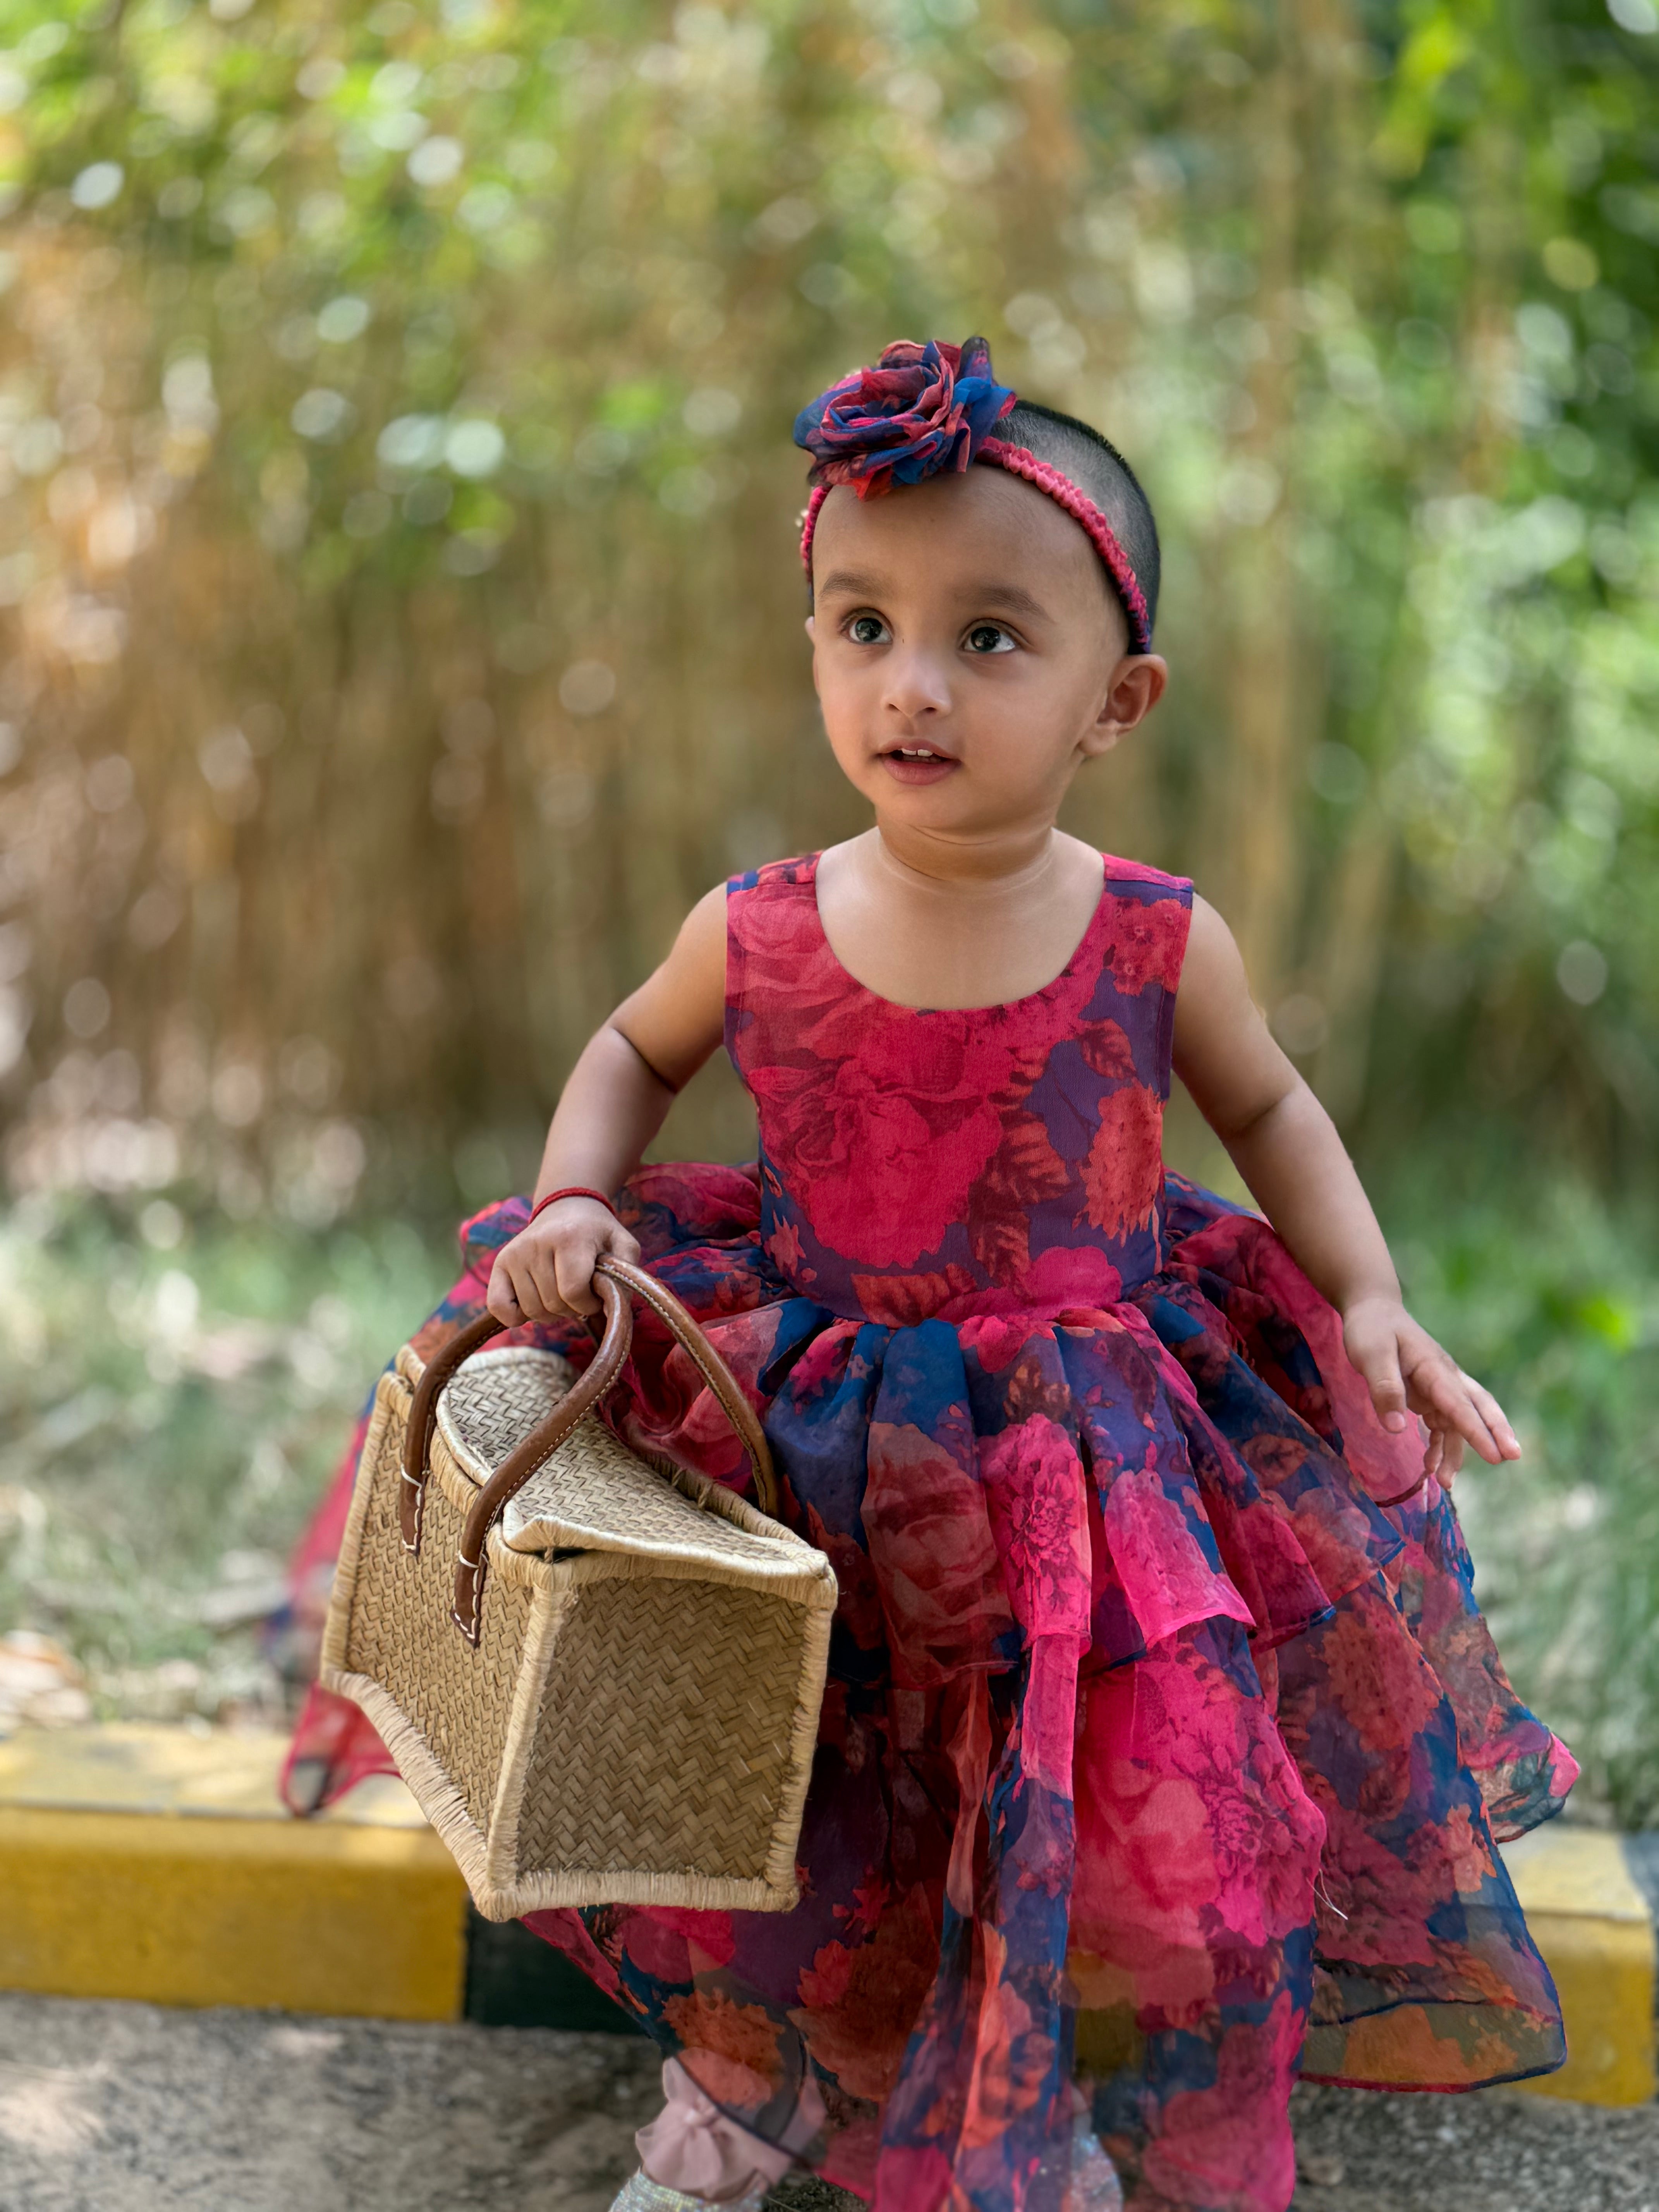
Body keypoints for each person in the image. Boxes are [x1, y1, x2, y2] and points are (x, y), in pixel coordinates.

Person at [283, 339, 1576, 2212]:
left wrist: (1366, 1296)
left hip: (1086, 1440)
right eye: (863, 624)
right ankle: (754, 2082)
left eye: (988, 640)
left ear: (1113, 700)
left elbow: (1276, 1106)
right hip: (809, 1419)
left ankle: (1020, 2094)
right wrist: (578, 1193)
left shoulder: (1152, 935)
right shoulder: (762, 924)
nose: (912, 683)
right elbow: (635, 1054)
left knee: (1051, 1779)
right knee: (793, 1775)